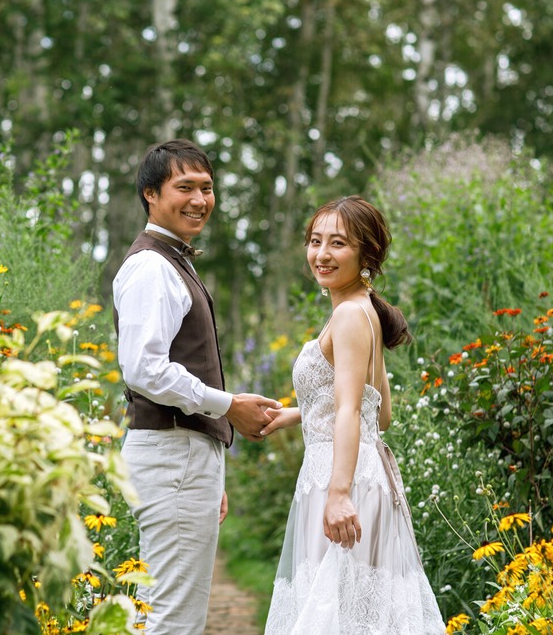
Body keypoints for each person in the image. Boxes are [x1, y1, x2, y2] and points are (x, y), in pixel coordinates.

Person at [113, 139, 282, 635]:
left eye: (207, 188)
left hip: (182, 459)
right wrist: (228, 407)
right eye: (183, 187)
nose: (199, 200)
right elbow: (145, 370)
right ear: (150, 194)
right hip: (173, 459)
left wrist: (214, 469)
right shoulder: (151, 266)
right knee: (174, 619)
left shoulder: (171, 261)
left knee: (159, 611)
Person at [260, 196, 444, 634]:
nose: (321, 254)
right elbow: (378, 415)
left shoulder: (348, 315)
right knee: (352, 613)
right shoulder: (366, 311)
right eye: (315, 241)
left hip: (341, 478)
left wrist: (340, 492)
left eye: (337, 243)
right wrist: (295, 415)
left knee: (342, 616)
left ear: (366, 255)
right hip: (359, 471)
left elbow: (350, 410)